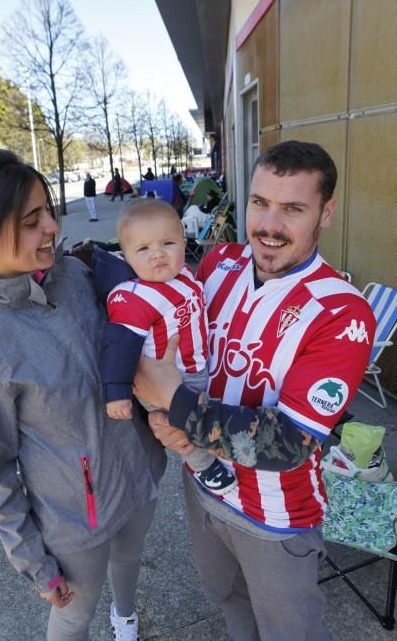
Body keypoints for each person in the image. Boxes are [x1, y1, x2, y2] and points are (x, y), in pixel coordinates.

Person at [133, 140, 376, 641]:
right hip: (202, 487)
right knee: (226, 599)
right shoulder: (216, 265)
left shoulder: (343, 313)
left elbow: (288, 443)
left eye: (292, 208)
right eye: (260, 202)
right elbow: (161, 339)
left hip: (276, 517)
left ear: (326, 212)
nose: (269, 224)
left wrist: (175, 405)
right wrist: (157, 414)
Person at [0, 149, 166, 641]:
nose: (52, 228)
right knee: (74, 615)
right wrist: (34, 562)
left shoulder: (75, 276)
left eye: (49, 211)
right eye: (32, 220)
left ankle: (125, 619)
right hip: (74, 517)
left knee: (131, 557)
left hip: (136, 470)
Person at [93, 198, 236, 495]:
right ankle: (204, 467)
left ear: (184, 243)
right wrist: (116, 392)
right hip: (163, 378)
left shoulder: (183, 276)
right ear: (127, 256)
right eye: (143, 249)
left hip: (196, 367)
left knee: (207, 416)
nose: (157, 254)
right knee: (180, 428)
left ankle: (228, 450)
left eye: (167, 243)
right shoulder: (134, 296)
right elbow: (119, 345)